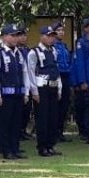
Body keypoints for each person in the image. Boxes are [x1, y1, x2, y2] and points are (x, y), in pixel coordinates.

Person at [0, 24, 29, 160]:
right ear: (3, 37)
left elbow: (25, 73)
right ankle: (5, 149)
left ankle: (15, 148)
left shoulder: (19, 53)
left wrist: (26, 92)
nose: (15, 38)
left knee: (16, 122)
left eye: (16, 35)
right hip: (5, 95)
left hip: (18, 93)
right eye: (12, 35)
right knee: (4, 123)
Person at [28, 25, 63, 157]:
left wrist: (59, 88)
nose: (51, 39)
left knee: (53, 117)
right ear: (41, 36)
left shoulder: (53, 51)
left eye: (52, 36)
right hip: (41, 87)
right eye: (48, 36)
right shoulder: (34, 52)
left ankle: (50, 144)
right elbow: (31, 73)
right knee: (42, 118)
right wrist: (34, 91)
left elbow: (56, 70)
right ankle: (42, 146)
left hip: (53, 86)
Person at [52, 22, 73, 142]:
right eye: (58, 30)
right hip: (57, 77)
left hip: (66, 76)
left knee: (64, 106)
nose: (61, 32)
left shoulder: (64, 46)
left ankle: (60, 131)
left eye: (62, 30)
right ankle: (54, 132)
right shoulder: (52, 47)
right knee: (56, 106)